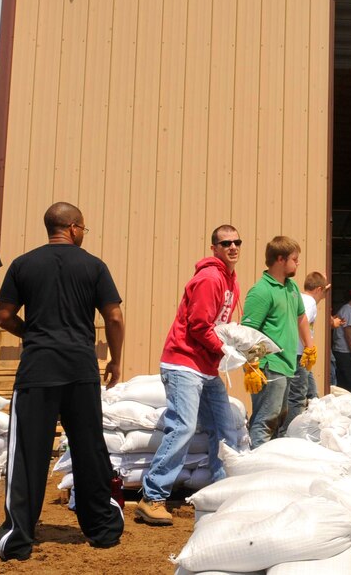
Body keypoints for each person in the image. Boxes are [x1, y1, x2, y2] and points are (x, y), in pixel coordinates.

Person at [0, 203, 124, 560]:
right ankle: (102, 531)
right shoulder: (94, 266)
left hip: (38, 369)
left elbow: (3, 315)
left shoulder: (23, 264)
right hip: (80, 369)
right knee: (88, 448)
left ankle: (18, 537)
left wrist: (29, 331)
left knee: (28, 453)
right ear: (75, 228)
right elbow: (114, 317)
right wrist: (117, 360)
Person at [136, 225, 242, 526]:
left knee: (224, 428)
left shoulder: (231, 282)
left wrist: (237, 344)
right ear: (215, 248)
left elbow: (217, 325)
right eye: (225, 243)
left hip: (206, 368)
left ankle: (223, 491)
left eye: (236, 242)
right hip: (184, 364)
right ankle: (152, 497)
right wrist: (224, 349)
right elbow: (198, 326)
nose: (232, 247)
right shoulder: (210, 278)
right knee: (182, 428)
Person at [241, 236, 316, 446]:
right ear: (281, 259)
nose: (298, 263)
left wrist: (309, 347)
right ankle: (256, 466)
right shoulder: (262, 291)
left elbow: (301, 316)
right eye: (295, 259)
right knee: (266, 420)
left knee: (280, 419)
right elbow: (248, 331)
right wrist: (252, 365)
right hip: (268, 366)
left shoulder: (291, 288)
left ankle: (270, 465)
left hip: (286, 364)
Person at [283, 271, 338, 431]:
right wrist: (308, 346)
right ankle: (289, 431)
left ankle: (315, 427)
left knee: (313, 394)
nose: (324, 297)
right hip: (299, 355)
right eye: (325, 292)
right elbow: (300, 323)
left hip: (299, 356)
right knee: (297, 397)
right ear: (319, 289)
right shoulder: (309, 303)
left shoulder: (300, 298)